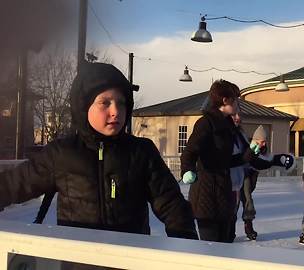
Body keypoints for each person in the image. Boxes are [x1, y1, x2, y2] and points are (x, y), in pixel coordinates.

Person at [0, 62, 198, 240]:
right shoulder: (61, 154)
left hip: (128, 260)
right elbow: (14, 184)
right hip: (78, 261)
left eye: (121, 103)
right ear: (83, 107)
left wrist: (186, 249)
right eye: (105, 102)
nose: (116, 111)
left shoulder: (141, 152)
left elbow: (173, 206)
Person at [180, 79, 256, 243]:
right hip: (206, 195)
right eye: (236, 98)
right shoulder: (206, 123)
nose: (238, 103)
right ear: (225, 100)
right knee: (211, 250)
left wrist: (250, 153)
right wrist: (187, 169)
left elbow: (226, 160)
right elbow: (190, 151)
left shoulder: (228, 125)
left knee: (226, 248)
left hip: (224, 195)